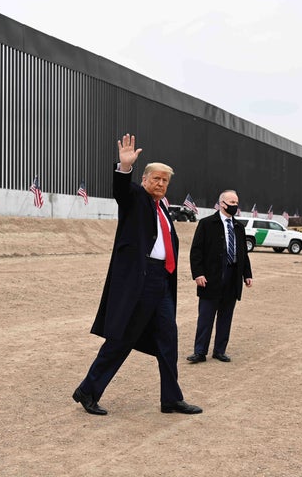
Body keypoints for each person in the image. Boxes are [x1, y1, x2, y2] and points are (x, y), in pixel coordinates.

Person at [72, 133, 202, 416]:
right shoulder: (135, 199)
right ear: (144, 180)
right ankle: (88, 390)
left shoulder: (164, 210)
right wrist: (125, 167)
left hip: (161, 283)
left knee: (169, 339)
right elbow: (121, 190)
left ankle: (171, 398)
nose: (160, 184)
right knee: (121, 340)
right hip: (139, 283)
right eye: (156, 178)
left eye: (165, 180)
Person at [187, 190, 253, 364]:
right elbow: (196, 251)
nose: (235, 206)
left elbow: (243, 253)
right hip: (211, 277)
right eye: (231, 202)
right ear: (222, 203)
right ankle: (200, 352)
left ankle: (220, 350)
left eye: (236, 202)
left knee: (225, 317)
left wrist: (247, 274)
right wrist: (198, 274)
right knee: (206, 317)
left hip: (232, 277)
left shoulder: (239, 227)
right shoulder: (207, 224)